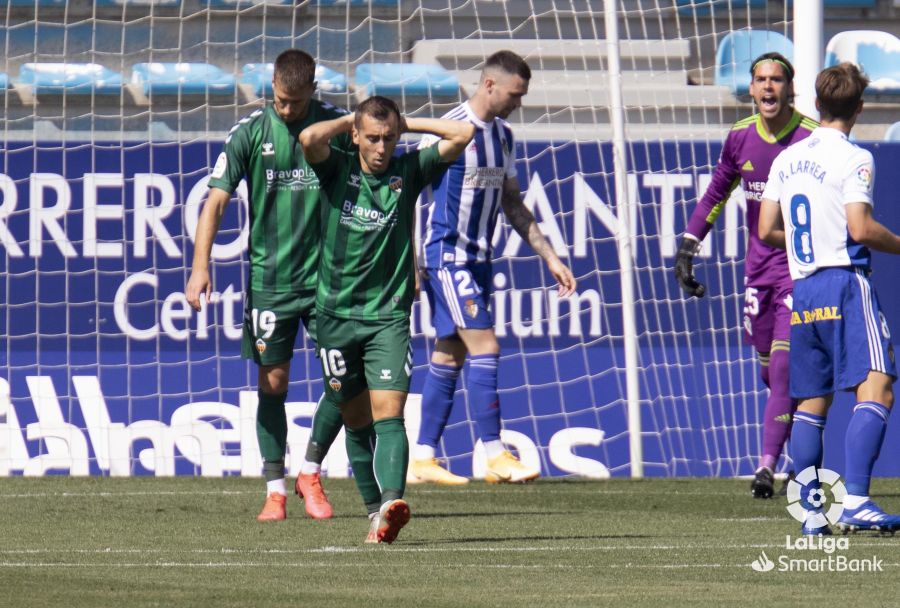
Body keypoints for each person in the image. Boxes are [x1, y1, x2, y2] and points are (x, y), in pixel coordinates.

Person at [299, 96, 474, 543]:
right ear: (357, 136)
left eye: (388, 138)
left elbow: (462, 134)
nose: (381, 147)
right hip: (335, 317)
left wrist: (405, 123)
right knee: (355, 420)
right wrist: (351, 122)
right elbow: (308, 137)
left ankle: (393, 502)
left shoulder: (409, 170)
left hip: (388, 318)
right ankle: (374, 511)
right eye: (372, 138)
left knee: (389, 415)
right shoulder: (337, 167)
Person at [186, 49, 347, 523]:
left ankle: (311, 471)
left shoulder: (338, 130)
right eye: (280, 100)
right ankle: (275, 489)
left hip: (330, 281)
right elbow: (214, 203)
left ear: (312, 92)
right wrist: (200, 266)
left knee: (344, 381)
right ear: (272, 87)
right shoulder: (251, 132)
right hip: (271, 282)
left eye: (296, 102)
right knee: (273, 382)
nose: (287, 110)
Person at [408, 50, 577, 486]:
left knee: (450, 354)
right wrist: (410, 261)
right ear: (489, 85)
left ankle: (423, 458)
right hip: (447, 257)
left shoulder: (503, 137)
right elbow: (405, 192)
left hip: (481, 262)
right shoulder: (448, 132)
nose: (517, 103)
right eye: (514, 94)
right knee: (486, 347)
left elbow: (513, 204)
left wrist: (551, 257)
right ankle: (494, 452)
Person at [759, 62, 900, 535]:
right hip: (844, 283)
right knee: (877, 386)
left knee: (811, 404)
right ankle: (857, 500)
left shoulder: (785, 159)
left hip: (804, 291)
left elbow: (765, 230)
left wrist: (812, 242)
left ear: (815, 105)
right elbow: (860, 228)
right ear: (859, 108)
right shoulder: (854, 157)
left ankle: (812, 513)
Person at [675, 52, 817, 499]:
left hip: (800, 270)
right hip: (757, 272)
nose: (769, 87)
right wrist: (687, 247)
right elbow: (716, 193)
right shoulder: (739, 138)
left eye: (777, 80)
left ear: (790, 88)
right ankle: (804, 462)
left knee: (783, 365)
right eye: (761, 80)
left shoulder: (812, 138)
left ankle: (766, 467)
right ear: (751, 89)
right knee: (768, 373)